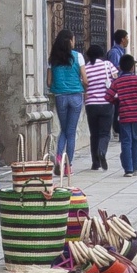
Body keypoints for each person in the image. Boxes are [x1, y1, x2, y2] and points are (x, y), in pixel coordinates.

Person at [48, 30, 86, 173]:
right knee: (71, 132)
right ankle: (68, 165)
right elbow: (85, 79)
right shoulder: (78, 57)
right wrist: (84, 87)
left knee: (64, 129)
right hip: (76, 95)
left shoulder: (53, 59)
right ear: (70, 41)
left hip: (60, 96)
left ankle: (58, 158)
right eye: (73, 39)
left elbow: (48, 81)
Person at [81, 42, 118, 170]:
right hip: (106, 104)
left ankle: (95, 162)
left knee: (94, 134)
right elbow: (116, 80)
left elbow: (84, 83)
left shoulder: (86, 68)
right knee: (104, 133)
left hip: (91, 105)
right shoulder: (108, 65)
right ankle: (102, 151)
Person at [112, 57, 137, 174]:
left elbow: (108, 96)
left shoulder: (117, 82)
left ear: (120, 67)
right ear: (132, 67)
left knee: (126, 141)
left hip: (124, 115)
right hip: (136, 115)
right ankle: (136, 167)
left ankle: (128, 169)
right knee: (135, 140)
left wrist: (117, 101)